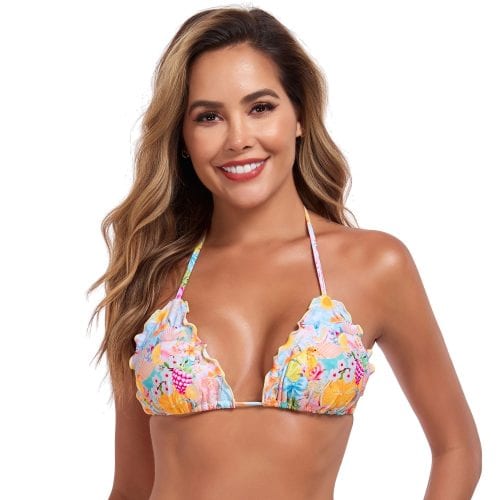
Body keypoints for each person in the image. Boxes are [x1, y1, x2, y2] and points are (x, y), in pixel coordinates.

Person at [87, 6, 482, 500]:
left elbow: (456, 449)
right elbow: (131, 487)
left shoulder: (376, 266)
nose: (238, 139)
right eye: (209, 117)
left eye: (260, 108)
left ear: (299, 116)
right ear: (182, 139)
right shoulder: (149, 275)